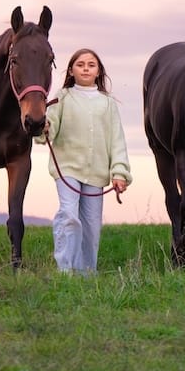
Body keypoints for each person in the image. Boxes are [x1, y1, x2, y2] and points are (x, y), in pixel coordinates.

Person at [36, 48, 132, 275]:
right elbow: (47, 131)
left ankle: (87, 273)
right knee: (69, 215)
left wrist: (119, 172)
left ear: (98, 71)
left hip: (97, 172)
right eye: (80, 64)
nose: (86, 68)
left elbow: (117, 140)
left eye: (91, 64)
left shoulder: (108, 103)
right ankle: (65, 270)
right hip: (67, 168)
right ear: (71, 70)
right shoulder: (62, 97)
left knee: (90, 226)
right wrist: (44, 127)